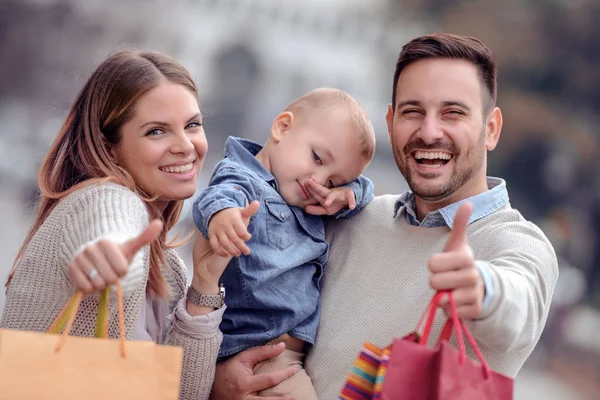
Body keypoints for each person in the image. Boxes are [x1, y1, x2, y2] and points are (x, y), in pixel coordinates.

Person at [209, 33, 559, 399]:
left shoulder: (517, 242)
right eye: (413, 112)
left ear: (491, 129)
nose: (429, 131)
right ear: (391, 122)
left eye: (452, 113)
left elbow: (519, 304)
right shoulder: (347, 218)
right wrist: (224, 378)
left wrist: (484, 288)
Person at [1, 50, 237, 400]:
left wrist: (203, 284)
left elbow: (182, 394)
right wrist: (106, 256)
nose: (186, 146)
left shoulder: (170, 269)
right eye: (157, 131)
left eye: (192, 125)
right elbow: (111, 223)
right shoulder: (102, 198)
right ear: (109, 149)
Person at [193, 88, 376, 398]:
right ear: (282, 127)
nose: (319, 182)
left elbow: (364, 186)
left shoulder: (308, 199)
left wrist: (348, 194)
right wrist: (223, 216)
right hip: (260, 353)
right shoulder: (244, 178)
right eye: (317, 158)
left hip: (282, 353)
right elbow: (218, 196)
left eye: (333, 181)